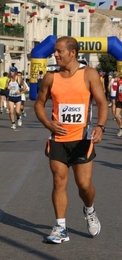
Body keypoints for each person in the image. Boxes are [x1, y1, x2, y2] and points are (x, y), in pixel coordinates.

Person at [34, 36, 108, 244]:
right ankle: (60, 227)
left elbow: (102, 104)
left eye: (59, 51)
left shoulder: (89, 75)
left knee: (83, 185)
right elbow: (39, 104)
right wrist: (48, 124)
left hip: (82, 139)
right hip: (58, 139)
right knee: (59, 181)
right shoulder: (51, 77)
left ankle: (90, 210)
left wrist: (100, 127)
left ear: (72, 53)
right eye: (54, 52)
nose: (55, 55)